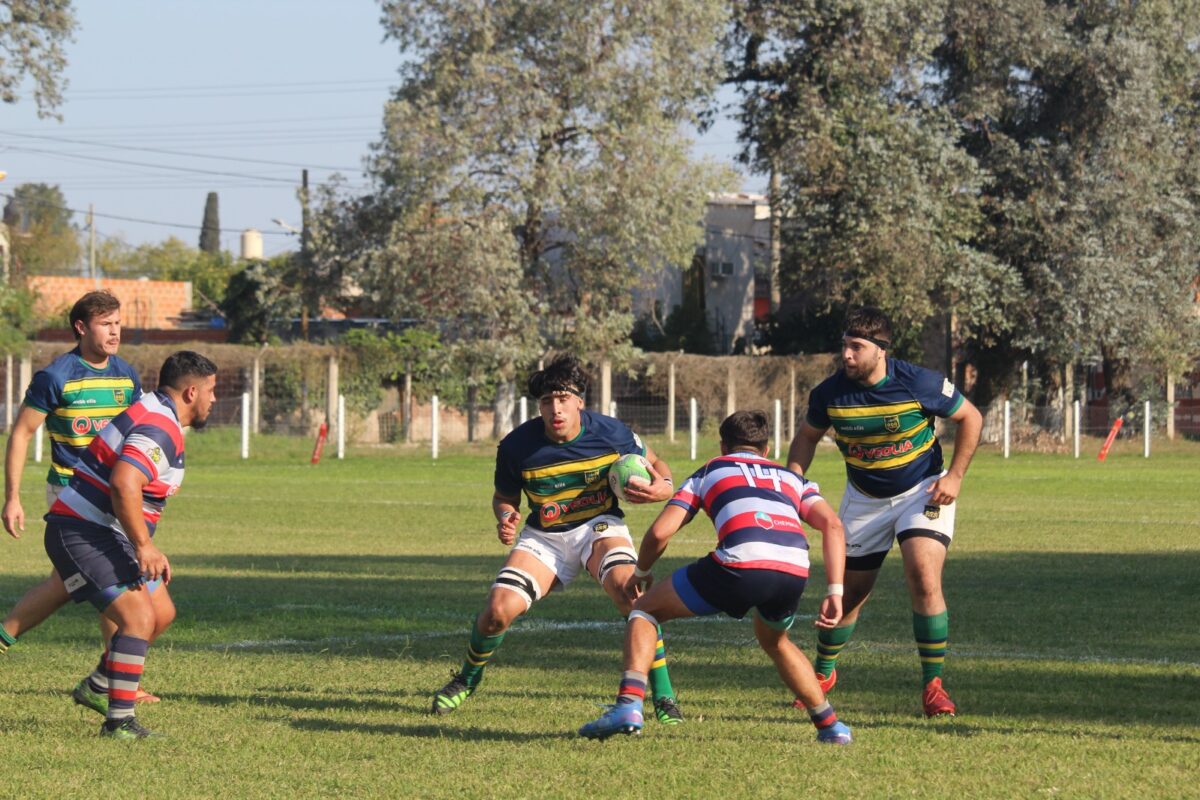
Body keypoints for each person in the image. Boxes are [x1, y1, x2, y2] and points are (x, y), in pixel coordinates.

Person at [431, 354, 684, 724]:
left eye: (563, 399)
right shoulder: (517, 446)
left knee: (632, 596)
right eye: (547, 401)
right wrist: (506, 517)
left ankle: (663, 695)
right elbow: (505, 499)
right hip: (544, 537)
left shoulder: (611, 433)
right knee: (497, 612)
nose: (556, 408)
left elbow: (659, 465)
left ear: (580, 401)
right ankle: (467, 679)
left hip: (599, 526)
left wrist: (663, 488)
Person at [578, 410, 851, 744]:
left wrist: (642, 571)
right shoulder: (792, 478)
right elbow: (833, 526)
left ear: (723, 445)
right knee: (776, 641)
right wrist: (835, 590)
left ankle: (628, 705)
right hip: (793, 569)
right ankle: (831, 726)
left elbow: (661, 533)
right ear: (765, 450)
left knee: (644, 611)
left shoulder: (712, 469)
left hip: (740, 565)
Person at [786, 306, 982, 717]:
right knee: (851, 593)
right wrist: (794, 483)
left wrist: (956, 477)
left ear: (881, 350)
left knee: (923, 575)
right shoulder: (829, 394)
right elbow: (806, 438)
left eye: (857, 347)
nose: (847, 355)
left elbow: (971, 417)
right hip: (863, 498)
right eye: (845, 346)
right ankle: (822, 673)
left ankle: (933, 686)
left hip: (922, 491)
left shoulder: (919, 382)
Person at [1, 290, 170, 708]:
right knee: (109, 584)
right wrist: (12, 497)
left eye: (118, 323)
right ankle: (113, 684)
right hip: (71, 496)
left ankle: (111, 680)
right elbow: (21, 433)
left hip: (111, 496)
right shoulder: (57, 377)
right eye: (106, 324)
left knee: (81, 584)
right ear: (81, 327)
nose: (115, 332)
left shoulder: (126, 375)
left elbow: (137, 433)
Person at [43, 350, 217, 738]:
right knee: (138, 619)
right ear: (191, 392)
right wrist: (144, 545)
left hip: (99, 529)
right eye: (211, 391)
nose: (213, 399)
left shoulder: (156, 411)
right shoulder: (160, 426)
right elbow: (125, 482)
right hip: (81, 530)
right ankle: (119, 722)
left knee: (161, 612)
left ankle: (99, 685)